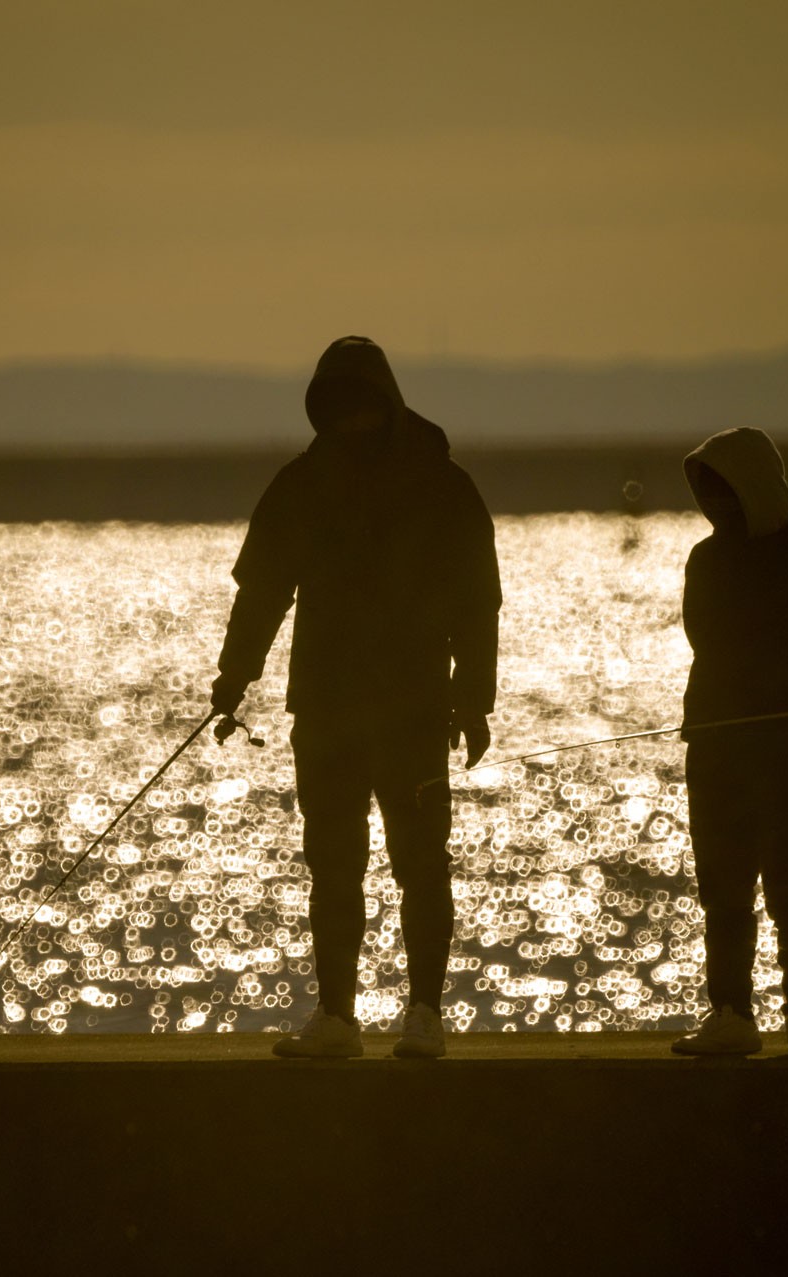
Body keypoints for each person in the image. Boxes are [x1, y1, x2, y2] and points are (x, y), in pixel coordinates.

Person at [211, 335, 500, 1059]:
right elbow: (263, 591)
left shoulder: (442, 483)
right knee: (334, 861)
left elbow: (478, 603)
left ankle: (424, 1014)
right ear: (321, 412)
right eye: (339, 409)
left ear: (389, 401)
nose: (354, 422)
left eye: (364, 405)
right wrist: (233, 679)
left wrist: (475, 700)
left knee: (421, 861)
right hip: (327, 708)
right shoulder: (302, 483)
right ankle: (337, 1016)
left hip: (415, 709)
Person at [672, 428, 788, 1057]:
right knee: (722, 887)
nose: (713, 506)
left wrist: (784, 699)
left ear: (751, 488)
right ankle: (730, 1011)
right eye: (706, 493)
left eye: (723, 491)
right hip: (716, 746)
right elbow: (707, 640)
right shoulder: (706, 558)